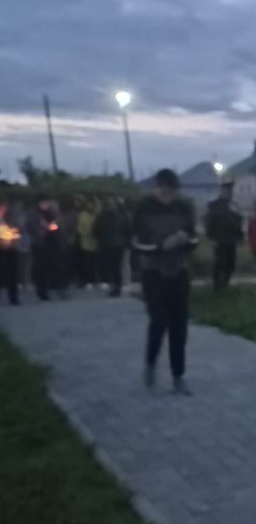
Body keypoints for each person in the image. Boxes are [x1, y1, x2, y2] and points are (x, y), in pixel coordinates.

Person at [132, 169, 198, 395]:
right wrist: (161, 246)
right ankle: (150, 363)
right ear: (157, 188)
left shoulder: (184, 208)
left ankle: (178, 376)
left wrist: (186, 240)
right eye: (164, 191)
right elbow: (137, 243)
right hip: (153, 272)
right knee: (159, 321)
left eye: (172, 192)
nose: (168, 196)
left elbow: (194, 238)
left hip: (179, 271)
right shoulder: (144, 208)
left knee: (179, 326)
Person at [205, 180, 243, 290]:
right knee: (220, 263)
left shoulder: (234, 205)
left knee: (231, 263)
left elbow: (238, 221)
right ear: (221, 191)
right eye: (226, 190)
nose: (229, 193)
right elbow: (209, 222)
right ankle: (217, 286)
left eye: (230, 191)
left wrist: (240, 236)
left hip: (231, 240)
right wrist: (211, 238)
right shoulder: (214, 205)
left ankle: (225, 283)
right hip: (219, 239)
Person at [28, 196, 66, 301]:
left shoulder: (52, 212)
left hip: (53, 243)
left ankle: (57, 288)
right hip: (40, 244)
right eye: (43, 203)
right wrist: (43, 229)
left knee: (55, 266)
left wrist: (54, 226)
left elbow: (58, 223)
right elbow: (31, 227)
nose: (45, 205)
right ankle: (42, 291)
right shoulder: (34, 214)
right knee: (41, 268)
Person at [94, 198, 131, 297]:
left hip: (107, 244)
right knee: (117, 266)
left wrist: (100, 240)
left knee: (111, 266)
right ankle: (117, 286)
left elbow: (96, 230)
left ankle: (115, 285)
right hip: (118, 244)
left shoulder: (101, 216)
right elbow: (128, 229)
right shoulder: (122, 215)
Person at [0, 197, 21, 305]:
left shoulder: (11, 218)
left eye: (3, 207)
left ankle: (13, 298)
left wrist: (13, 241)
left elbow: (17, 232)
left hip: (11, 250)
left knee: (12, 274)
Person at [76, 196, 99, 288]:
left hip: (96, 243)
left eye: (92, 204)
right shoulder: (83, 215)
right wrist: (87, 233)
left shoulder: (96, 214)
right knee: (86, 263)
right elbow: (80, 228)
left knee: (95, 263)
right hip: (86, 243)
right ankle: (87, 280)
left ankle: (95, 280)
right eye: (89, 203)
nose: (90, 205)